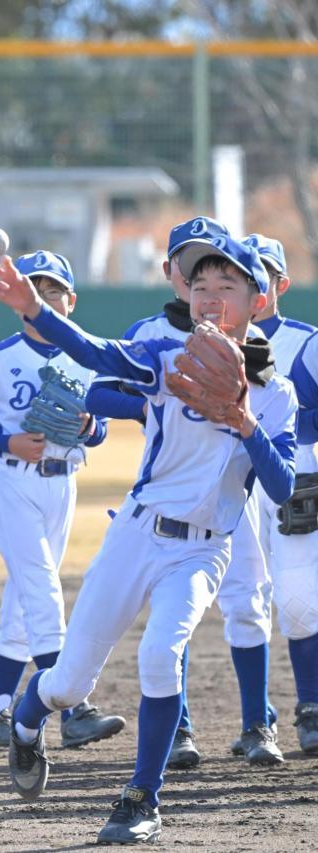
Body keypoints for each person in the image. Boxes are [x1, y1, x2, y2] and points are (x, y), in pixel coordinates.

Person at [0, 236, 296, 844]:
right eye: (199, 286)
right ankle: (29, 717)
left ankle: (140, 799)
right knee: (70, 683)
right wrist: (36, 312)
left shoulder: (275, 393)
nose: (210, 298)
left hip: (203, 549)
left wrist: (243, 421)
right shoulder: (166, 356)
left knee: (161, 654)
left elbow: (283, 486)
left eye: (226, 287)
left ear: (257, 299)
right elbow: (96, 350)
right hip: (135, 534)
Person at [86, 217, 281, 769]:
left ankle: (257, 724)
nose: (192, 276)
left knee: (248, 600)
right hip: (171, 487)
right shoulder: (151, 331)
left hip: (232, 492)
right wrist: (159, 397)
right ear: (173, 273)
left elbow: (269, 404)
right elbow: (101, 391)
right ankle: (181, 730)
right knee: (176, 617)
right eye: (181, 262)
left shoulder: (249, 334)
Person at [0, 251, 124, 749]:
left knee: (23, 599)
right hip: (12, 481)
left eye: (54, 291)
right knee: (42, 586)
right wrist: (4, 442)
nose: (45, 299)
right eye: (36, 290)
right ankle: (71, 708)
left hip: (63, 483)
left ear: (71, 299)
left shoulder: (87, 357)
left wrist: (91, 427)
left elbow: (102, 429)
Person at [253, 238, 318, 756]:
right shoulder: (205, 339)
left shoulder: (306, 341)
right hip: (230, 485)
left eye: (265, 274)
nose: (256, 282)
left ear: (281, 285)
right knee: (240, 604)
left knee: (297, 603)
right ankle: (255, 722)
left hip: (295, 478)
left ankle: (311, 707)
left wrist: (286, 423)